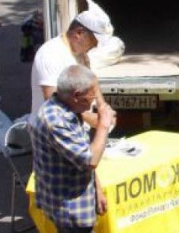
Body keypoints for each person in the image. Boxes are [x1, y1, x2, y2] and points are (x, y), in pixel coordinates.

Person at [29, 65, 116, 233]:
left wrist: (97, 189)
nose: (94, 101)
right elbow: (90, 160)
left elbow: (80, 153)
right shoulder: (57, 121)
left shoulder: (67, 110)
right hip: (69, 209)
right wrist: (103, 125)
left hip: (77, 201)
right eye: (92, 95)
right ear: (77, 95)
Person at [30, 7, 113, 127]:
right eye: (93, 41)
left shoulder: (81, 54)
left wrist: (103, 108)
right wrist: (92, 119)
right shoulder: (50, 54)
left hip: (75, 128)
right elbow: (53, 103)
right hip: (52, 131)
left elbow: (92, 82)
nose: (95, 46)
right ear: (79, 33)